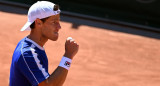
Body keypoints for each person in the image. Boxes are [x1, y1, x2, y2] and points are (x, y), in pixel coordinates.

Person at [9, 1, 79, 86]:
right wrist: (68, 56)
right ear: (38, 22)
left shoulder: (33, 46)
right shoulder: (28, 53)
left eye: (58, 22)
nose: (59, 27)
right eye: (54, 22)